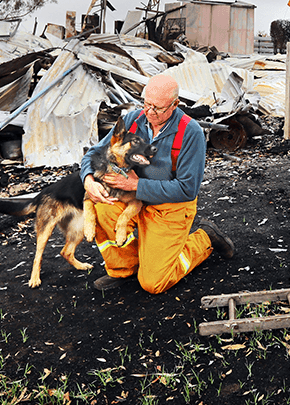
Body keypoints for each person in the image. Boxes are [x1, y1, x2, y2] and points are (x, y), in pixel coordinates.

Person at [81, 73, 234, 292]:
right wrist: (88, 180)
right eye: (147, 104)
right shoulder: (134, 119)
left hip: (168, 207)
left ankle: (204, 239)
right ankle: (125, 268)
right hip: (132, 200)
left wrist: (136, 186)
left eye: (158, 109)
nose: (150, 113)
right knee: (102, 210)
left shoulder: (191, 133)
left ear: (175, 104)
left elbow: (187, 189)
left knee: (154, 283)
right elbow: (93, 154)